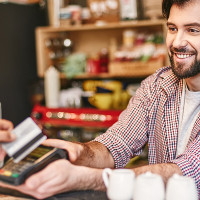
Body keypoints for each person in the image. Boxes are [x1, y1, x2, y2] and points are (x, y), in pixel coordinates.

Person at [0, 0, 200, 198]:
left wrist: (84, 178)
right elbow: (117, 143)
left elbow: (188, 171)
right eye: (173, 28)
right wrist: (78, 152)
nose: (177, 42)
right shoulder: (158, 85)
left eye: (193, 30)